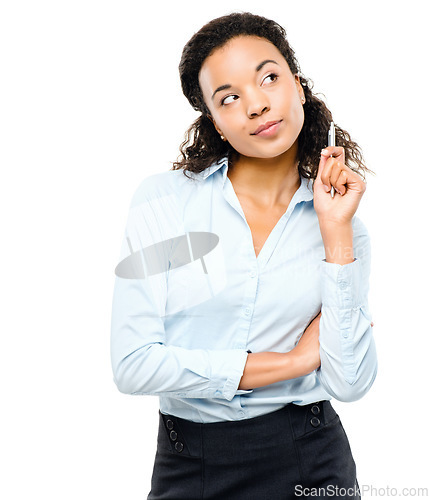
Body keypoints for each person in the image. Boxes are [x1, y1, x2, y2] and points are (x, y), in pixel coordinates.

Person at [110, 11, 378, 500]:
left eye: (269, 78)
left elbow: (350, 381)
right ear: (215, 120)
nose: (256, 105)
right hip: (190, 462)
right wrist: (294, 362)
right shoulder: (163, 202)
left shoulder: (343, 226)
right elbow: (133, 365)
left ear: (298, 87)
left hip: (312, 459)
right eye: (229, 97)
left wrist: (334, 233)